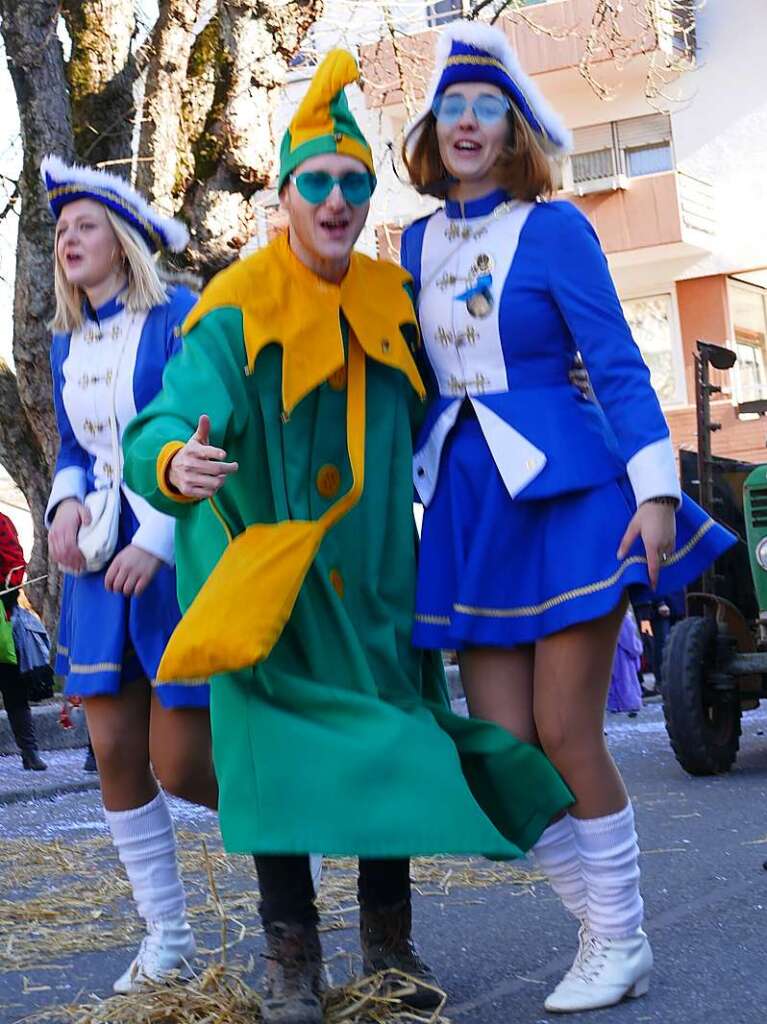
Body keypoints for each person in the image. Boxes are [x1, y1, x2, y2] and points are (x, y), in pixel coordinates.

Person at [123, 51, 572, 1024]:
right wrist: (172, 464)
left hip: (374, 584)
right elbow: (162, 420)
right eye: (315, 182)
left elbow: (457, 396)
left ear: (368, 193)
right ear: (283, 194)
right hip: (276, 594)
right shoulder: (235, 308)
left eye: (351, 181)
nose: (334, 198)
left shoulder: (388, 298)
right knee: (277, 762)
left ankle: (389, 944)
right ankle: (290, 954)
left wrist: (553, 393)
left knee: (391, 753)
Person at [399, 20, 736, 1014]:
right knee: (501, 751)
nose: (466, 121)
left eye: (485, 107)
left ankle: (616, 939)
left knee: (562, 729)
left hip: (573, 494)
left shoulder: (554, 229)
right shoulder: (411, 242)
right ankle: (604, 929)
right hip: (470, 506)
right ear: (433, 124)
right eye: (450, 105)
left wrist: (654, 490)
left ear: (513, 128)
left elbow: (619, 363)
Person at [41, 156, 218, 993]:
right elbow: (77, 449)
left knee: (183, 761)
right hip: (98, 566)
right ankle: (167, 938)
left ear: (124, 238)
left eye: (84, 225)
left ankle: (296, 840)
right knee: (114, 750)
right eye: (61, 231)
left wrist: (158, 537)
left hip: (175, 551)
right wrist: (64, 507)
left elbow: (204, 432)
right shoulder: (62, 340)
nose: (68, 239)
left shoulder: (180, 315)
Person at [0, 510, 47, 770]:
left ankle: (29, 752)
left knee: (13, 686)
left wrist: (4, 595)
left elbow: (15, 566)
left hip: (1, 619)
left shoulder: (0, 522)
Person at [607, 611, 643, 715]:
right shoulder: (623, 618)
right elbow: (629, 641)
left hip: (611, 653)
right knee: (625, 680)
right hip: (622, 656)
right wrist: (638, 648)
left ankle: (614, 703)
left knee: (614, 680)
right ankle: (628, 703)